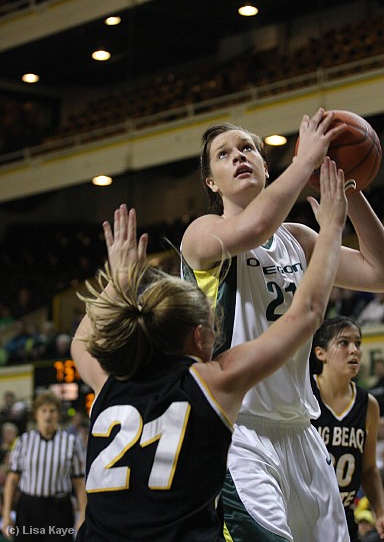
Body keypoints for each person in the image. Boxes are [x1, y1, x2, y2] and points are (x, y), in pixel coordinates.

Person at [70, 157, 348, 542]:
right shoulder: (209, 383)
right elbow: (308, 312)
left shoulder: (108, 385)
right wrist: (332, 226)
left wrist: (118, 281)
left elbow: (81, 341)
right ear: (201, 337)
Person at [180, 108, 384, 542]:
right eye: (224, 155)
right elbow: (256, 223)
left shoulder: (297, 239)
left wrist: (346, 185)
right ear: (212, 182)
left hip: (302, 430)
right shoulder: (203, 234)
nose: (239, 156)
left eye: (248, 148)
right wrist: (304, 164)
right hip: (238, 432)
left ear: (265, 165)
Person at [310, 316, 384, 542]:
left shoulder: (368, 405)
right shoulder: (304, 394)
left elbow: (368, 469)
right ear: (321, 353)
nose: (354, 350)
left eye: (357, 343)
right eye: (344, 343)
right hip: (305, 514)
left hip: (343, 516)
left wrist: (380, 513)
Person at [1, 390, 87, 541]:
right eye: (44, 410)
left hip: (59, 509)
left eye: (52, 411)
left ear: (58, 414)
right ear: (36, 414)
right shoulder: (23, 441)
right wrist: (7, 514)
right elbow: (12, 480)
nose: (48, 415)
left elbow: (79, 483)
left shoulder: (71, 442)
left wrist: (82, 515)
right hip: (29, 508)